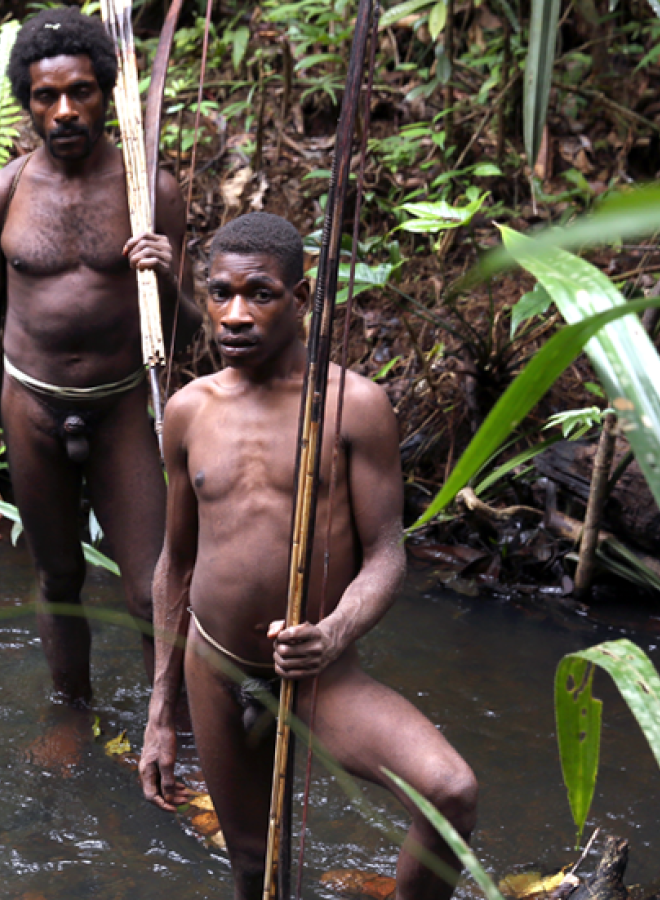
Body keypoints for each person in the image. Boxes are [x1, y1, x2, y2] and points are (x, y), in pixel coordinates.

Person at [137, 213, 477, 899]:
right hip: (215, 666)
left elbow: (386, 554)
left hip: (318, 673)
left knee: (451, 792)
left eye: (259, 294)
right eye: (220, 293)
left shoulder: (354, 407)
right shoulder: (188, 411)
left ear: (301, 298)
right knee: (252, 868)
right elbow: (176, 564)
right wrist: (158, 713)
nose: (234, 314)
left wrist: (333, 634)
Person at [0, 8, 193, 703]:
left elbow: (187, 337)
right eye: (44, 96)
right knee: (58, 580)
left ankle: (167, 734)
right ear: (26, 103)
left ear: (106, 91)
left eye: (79, 91)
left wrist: (170, 275)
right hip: (31, 406)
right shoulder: (1, 196)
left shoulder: (153, 193)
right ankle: (68, 718)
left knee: (155, 592)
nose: (63, 110)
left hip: (121, 408)